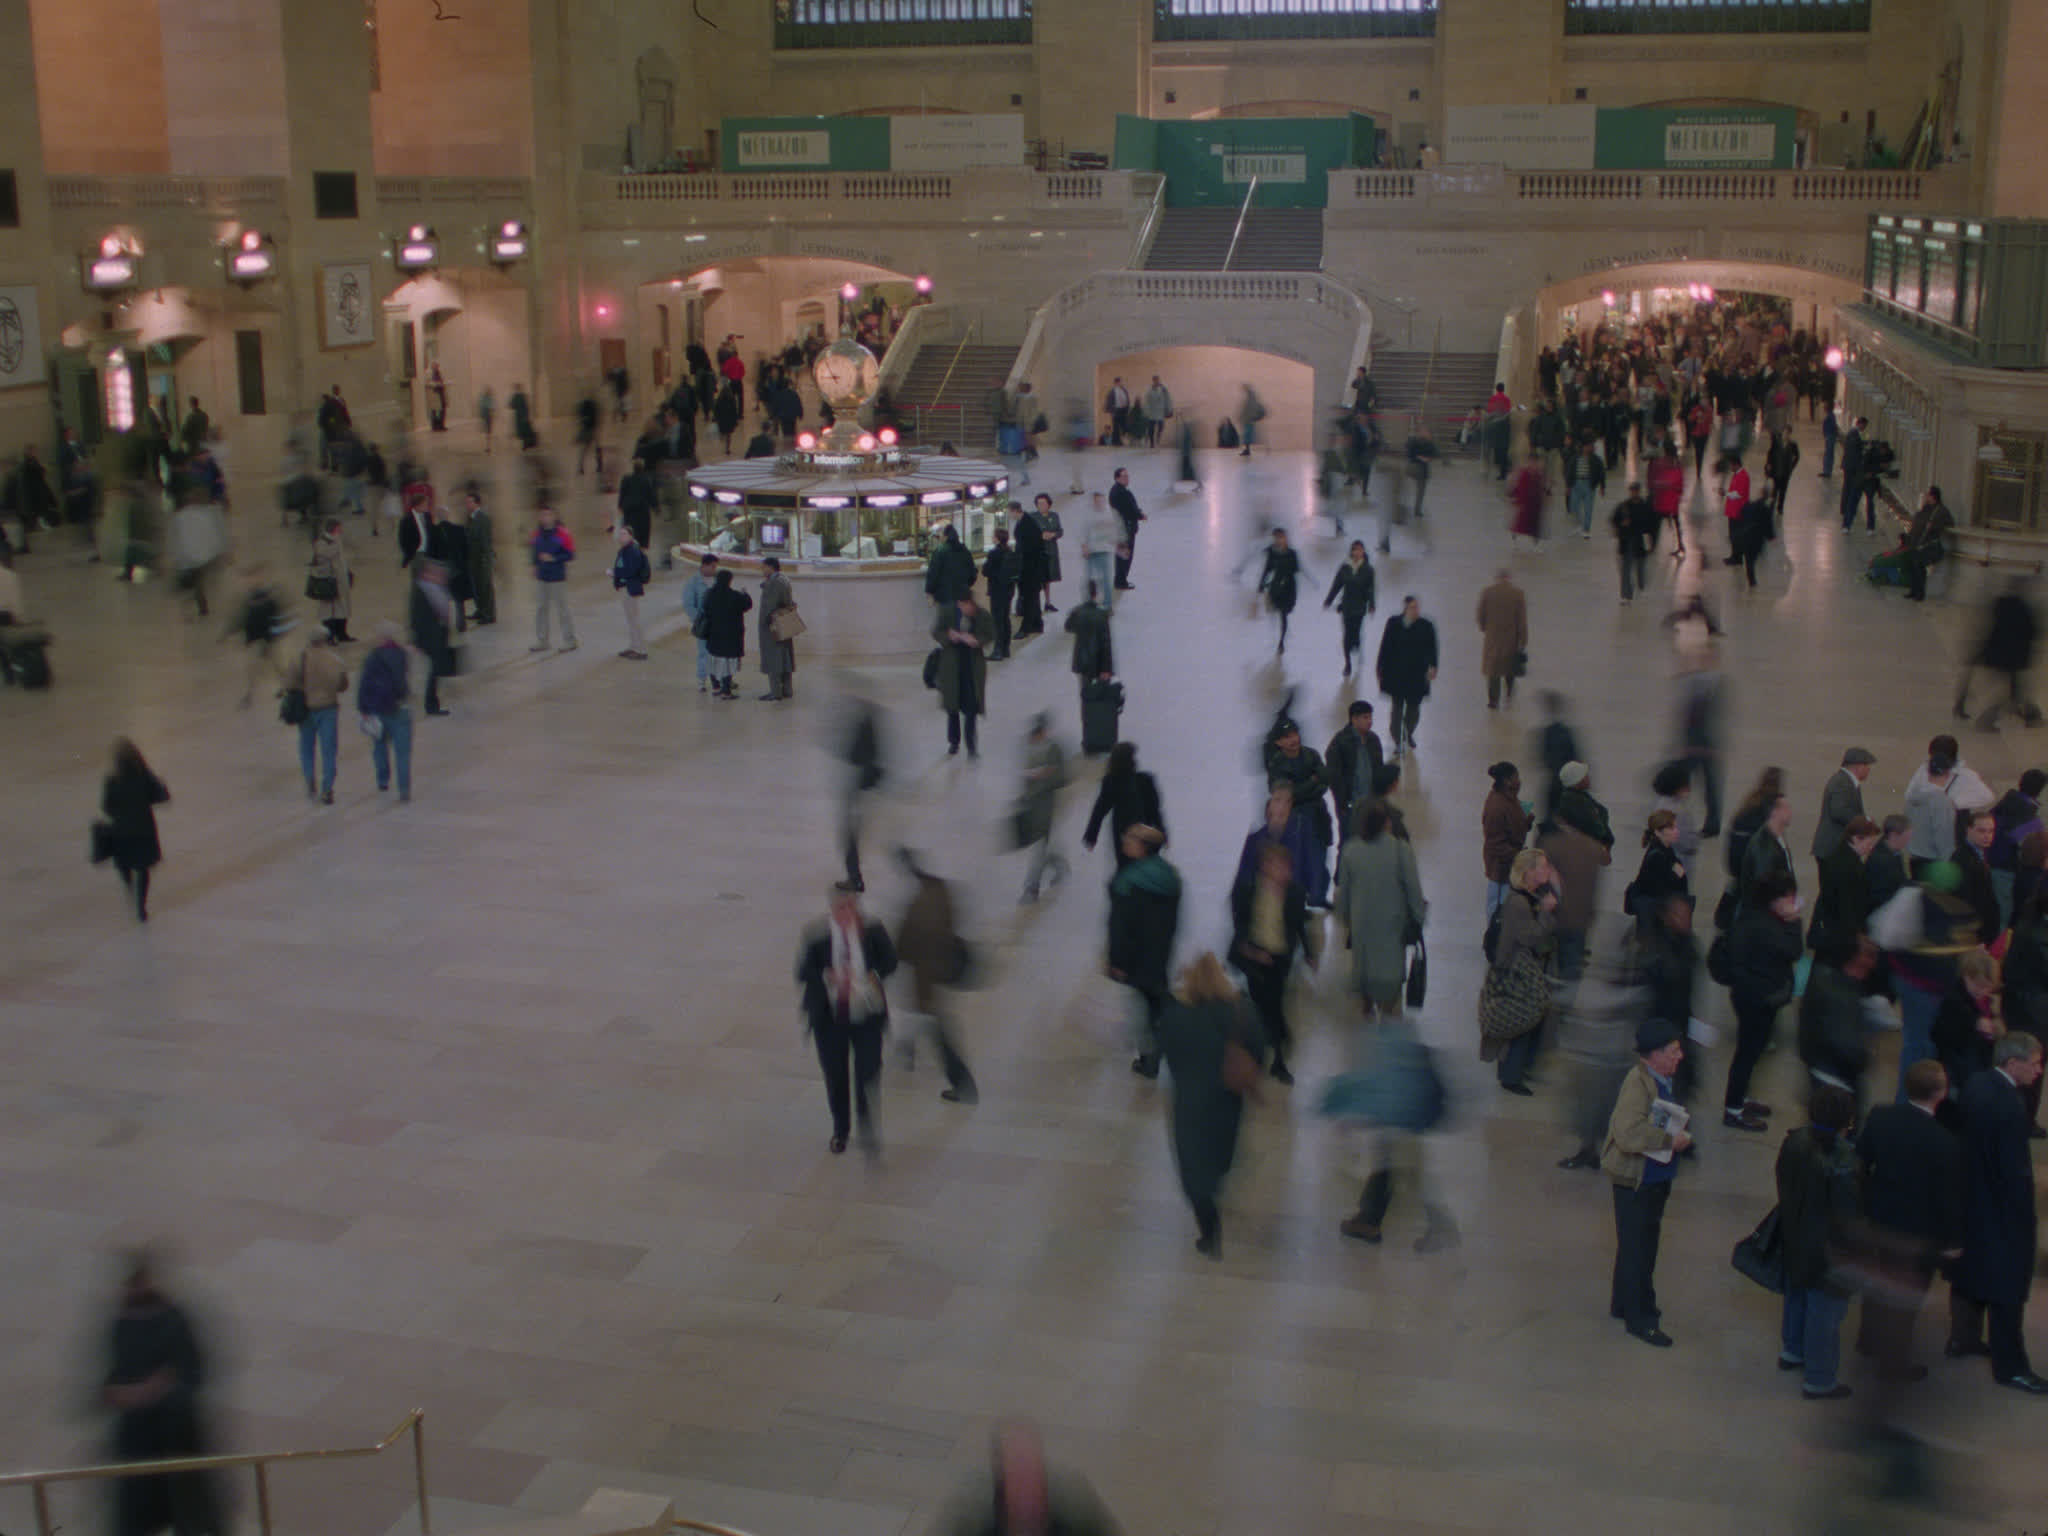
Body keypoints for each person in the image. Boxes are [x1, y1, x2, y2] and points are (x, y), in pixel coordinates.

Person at [1947, 1031, 2047, 1391]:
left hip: (1970, 1200)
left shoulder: (1977, 1084)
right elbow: (2013, 1170)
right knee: (2008, 1287)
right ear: (2013, 1063)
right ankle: (2011, 1367)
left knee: (1971, 1273)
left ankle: (1963, 1338)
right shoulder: (2009, 1106)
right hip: (2001, 1210)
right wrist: (2025, 1216)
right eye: (2035, 1063)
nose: (2039, 1070)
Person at [100, 1249, 225, 1536]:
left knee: (187, 1509)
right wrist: (129, 1392)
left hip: (174, 1435)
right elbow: (111, 1379)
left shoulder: (173, 1320)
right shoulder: (121, 1323)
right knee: (138, 1513)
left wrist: (152, 1390)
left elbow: (192, 1372)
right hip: (137, 1440)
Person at [1604, 1018, 1693, 1347]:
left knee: (1638, 1244)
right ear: (1653, 1055)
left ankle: (1625, 1302)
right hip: (1636, 1182)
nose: (1680, 1056)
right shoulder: (1637, 1085)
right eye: (1673, 1051)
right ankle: (1639, 1318)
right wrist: (1670, 1141)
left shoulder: (1659, 1079)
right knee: (1638, 1249)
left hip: (1653, 1178)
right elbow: (1627, 1134)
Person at [795, 886, 898, 1156]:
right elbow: (802, 971)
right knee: (836, 1076)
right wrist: (828, 975)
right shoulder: (816, 935)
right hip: (830, 1020)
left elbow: (890, 961)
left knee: (868, 1070)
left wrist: (873, 976)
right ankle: (840, 1130)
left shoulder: (872, 930)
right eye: (842, 908)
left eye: (852, 907)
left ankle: (866, 1124)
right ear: (832, 909)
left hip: (866, 1015)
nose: (848, 913)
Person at [1774, 1082, 1862, 1400]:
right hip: (1828, 1251)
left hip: (1795, 1235)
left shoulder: (1794, 1141)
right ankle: (1820, 1379)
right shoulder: (1844, 1159)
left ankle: (1792, 1350)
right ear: (1846, 1121)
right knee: (1824, 1315)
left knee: (1796, 1295)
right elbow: (1848, 1214)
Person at [928, 1421, 1123, 1536]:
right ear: (1002, 1479)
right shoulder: (972, 1516)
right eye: (1018, 1477)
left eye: (1032, 1472)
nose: (1027, 1487)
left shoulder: (1075, 1509)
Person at [893, 848, 978, 1107]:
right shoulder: (939, 888)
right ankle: (907, 1050)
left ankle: (964, 1087)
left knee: (939, 1033)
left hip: (927, 980)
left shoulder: (918, 906)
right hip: (939, 972)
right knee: (925, 1019)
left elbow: (905, 946)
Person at [1724, 869, 1803, 1131]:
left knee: (1751, 1052)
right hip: (1756, 999)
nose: (1793, 902)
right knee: (1747, 1053)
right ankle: (1733, 1109)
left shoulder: (1755, 916)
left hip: (1753, 995)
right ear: (1776, 899)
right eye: (1789, 897)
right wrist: (1794, 921)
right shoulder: (1765, 926)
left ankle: (1741, 1098)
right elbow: (1793, 950)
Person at [1231, 829, 1309, 1089]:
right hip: (1255, 960)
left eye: (1285, 867)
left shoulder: (1295, 893)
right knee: (1261, 1006)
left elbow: (1299, 925)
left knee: (1272, 1006)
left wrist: (1309, 952)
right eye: (1276, 865)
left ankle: (1277, 1055)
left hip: (1279, 960)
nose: (1282, 872)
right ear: (1264, 867)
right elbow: (1241, 922)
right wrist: (1249, 949)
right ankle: (1272, 1048)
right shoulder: (1250, 891)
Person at [1337, 801, 1426, 1021]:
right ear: (1387, 823)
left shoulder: (1350, 851)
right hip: (1392, 938)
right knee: (1391, 1007)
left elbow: (1343, 898)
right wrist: (1418, 919)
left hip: (1363, 939)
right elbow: (1414, 892)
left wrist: (1348, 922)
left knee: (1364, 1000)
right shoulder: (1400, 850)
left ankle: (1367, 1017)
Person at [1108, 825, 1181, 1078]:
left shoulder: (1129, 881)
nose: (1125, 841)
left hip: (1134, 957)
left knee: (1141, 1010)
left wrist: (1117, 961)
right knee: (1154, 1002)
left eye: (1130, 839)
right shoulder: (1170, 877)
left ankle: (1149, 1058)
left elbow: (1119, 926)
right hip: (1159, 953)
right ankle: (1158, 1050)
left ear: (1143, 847)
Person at [100, 738, 169, 923]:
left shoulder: (112, 780)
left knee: (124, 863)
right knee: (143, 869)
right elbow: (161, 796)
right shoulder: (144, 776)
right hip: (143, 830)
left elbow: (106, 807)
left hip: (121, 831)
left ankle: (128, 884)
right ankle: (141, 906)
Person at [1956, 578, 2038, 730]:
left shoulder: (2000, 604)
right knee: (2013, 693)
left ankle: (2030, 715)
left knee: (2014, 692)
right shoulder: (2023, 609)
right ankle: (1989, 720)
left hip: (1996, 653)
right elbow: (2029, 633)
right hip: (2012, 657)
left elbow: (1989, 627)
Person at [289, 630, 349, 805]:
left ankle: (309, 779)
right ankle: (327, 789)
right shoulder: (335, 660)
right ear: (325, 640)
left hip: (306, 709)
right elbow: (343, 686)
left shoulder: (300, 658)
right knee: (329, 749)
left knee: (306, 747)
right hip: (328, 709)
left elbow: (290, 683)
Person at [1084, 741, 1164, 869]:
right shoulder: (1145, 781)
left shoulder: (1112, 782)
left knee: (1126, 868)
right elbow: (1155, 810)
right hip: (1145, 832)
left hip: (1124, 834)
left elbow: (1099, 810)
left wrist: (1091, 836)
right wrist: (1161, 831)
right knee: (1146, 867)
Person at [1375, 595, 1437, 757]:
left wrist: (1433, 666)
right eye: (1412, 607)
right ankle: (1398, 740)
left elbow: (1432, 648)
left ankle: (1408, 732)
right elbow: (1385, 646)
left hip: (1417, 675)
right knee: (1397, 708)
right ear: (1405, 608)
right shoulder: (1393, 623)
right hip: (1396, 674)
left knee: (1413, 710)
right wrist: (1380, 667)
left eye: (1417, 607)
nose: (1415, 610)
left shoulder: (1426, 626)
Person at [1016, 713, 1068, 904]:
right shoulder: (1029, 748)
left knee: (1040, 848)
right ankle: (1059, 865)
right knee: (1042, 845)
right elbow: (1023, 775)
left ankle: (1031, 888)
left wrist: (1044, 777)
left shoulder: (1055, 749)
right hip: (1031, 806)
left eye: (1040, 732)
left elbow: (1062, 778)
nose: (1037, 735)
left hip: (1046, 806)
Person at [933, 591, 991, 758]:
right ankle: (954, 742)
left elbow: (989, 634)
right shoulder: (946, 612)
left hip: (971, 669)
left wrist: (976, 641)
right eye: (963, 605)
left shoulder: (982, 615)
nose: (966, 609)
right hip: (952, 668)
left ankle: (971, 746)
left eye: (969, 605)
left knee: (971, 709)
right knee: (953, 708)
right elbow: (936, 631)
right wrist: (948, 636)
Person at [1326, 701, 1386, 851]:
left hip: (1371, 804)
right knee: (1348, 845)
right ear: (1354, 719)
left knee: (1372, 843)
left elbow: (1379, 769)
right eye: (1365, 717)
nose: (1370, 721)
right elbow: (1334, 776)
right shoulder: (1340, 742)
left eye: (1370, 717)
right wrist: (1342, 803)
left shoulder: (1374, 740)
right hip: (1350, 806)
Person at [1812, 746, 1875, 881]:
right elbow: (1839, 811)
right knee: (1833, 891)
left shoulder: (1845, 781)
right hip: (1832, 849)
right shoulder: (1842, 782)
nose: (1869, 769)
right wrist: (1865, 821)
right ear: (1857, 766)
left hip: (1835, 850)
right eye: (1867, 765)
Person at [1482, 762, 1533, 919]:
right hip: (1500, 868)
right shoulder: (1496, 807)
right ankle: (1495, 932)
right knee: (1497, 909)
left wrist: (1526, 823)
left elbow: (1512, 825)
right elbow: (1495, 844)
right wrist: (1518, 855)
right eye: (1516, 777)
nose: (1519, 781)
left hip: (1510, 863)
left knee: (1507, 906)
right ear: (1507, 781)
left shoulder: (1509, 797)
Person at [1475, 567, 1527, 711]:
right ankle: (1508, 696)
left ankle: (1493, 701)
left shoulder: (1488, 592)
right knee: (1510, 668)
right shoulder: (1517, 593)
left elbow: (1480, 615)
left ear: (1497, 578)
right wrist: (1523, 639)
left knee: (1493, 670)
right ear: (1508, 578)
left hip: (1492, 638)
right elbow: (1522, 620)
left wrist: (1485, 628)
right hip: (1511, 639)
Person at [1324, 540, 1377, 678]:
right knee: (1347, 635)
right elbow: (1337, 585)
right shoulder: (1344, 567)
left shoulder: (1368, 569)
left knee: (1356, 632)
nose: (1357, 552)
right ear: (1352, 552)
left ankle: (1357, 644)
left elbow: (1371, 589)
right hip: (1347, 606)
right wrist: (1329, 600)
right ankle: (1348, 663)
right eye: (1355, 550)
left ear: (1363, 552)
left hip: (1359, 608)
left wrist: (1372, 604)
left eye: (1360, 550)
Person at [528, 505, 577, 652]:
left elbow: (570, 554)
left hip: (557, 576)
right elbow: (534, 552)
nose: (546, 518)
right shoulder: (536, 534)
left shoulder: (563, 533)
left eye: (548, 515)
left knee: (562, 608)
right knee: (541, 608)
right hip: (542, 576)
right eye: (543, 515)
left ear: (554, 516)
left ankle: (570, 640)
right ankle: (542, 640)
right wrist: (534, 565)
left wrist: (554, 558)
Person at [699, 568, 751, 699]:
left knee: (713, 660)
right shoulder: (735, 596)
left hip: (713, 634)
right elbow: (747, 605)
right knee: (728, 662)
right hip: (731, 636)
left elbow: (704, 609)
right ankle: (726, 690)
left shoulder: (709, 594)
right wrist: (745, 594)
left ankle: (716, 687)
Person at [1898, 486, 1954, 603]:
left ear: (1933, 496)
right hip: (1915, 543)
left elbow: (1950, 523)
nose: (1925, 497)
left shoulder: (1941, 511)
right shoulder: (1925, 509)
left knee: (1919, 567)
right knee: (1912, 566)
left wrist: (1934, 526)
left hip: (1927, 545)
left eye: (1927, 495)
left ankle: (1920, 592)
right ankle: (1913, 590)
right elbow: (1917, 522)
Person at [1255, 527, 1302, 654]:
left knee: (1283, 614)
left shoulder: (1292, 553)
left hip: (1288, 588)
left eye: (1281, 538)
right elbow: (1267, 569)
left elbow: (1295, 569)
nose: (1279, 540)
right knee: (1275, 610)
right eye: (1277, 538)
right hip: (1275, 587)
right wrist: (1261, 585)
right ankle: (1279, 634)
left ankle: (1281, 641)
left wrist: (1285, 570)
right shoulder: (1272, 553)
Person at [1611, 479, 1658, 604]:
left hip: (1640, 542)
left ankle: (1641, 587)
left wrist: (1652, 541)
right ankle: (1626, 595)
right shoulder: (1623, 507)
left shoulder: (1645, 507)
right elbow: (1614, 520)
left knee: (1640, 569)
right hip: (1627, 542)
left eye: (1636, 490)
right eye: (1632, 490)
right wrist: (1621, 525)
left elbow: (1653, 525)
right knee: (1626, 569)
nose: (1634, 493)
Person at [756, 556, 796, 701]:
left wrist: (764, 622)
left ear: (770, 567)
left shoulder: (774, 582)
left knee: (773, 657)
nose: (762, 570)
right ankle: (787, 689)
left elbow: (770, 605)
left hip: (773, 625)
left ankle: (775, 692)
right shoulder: (784, 579)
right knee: (785, 657)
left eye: (763, 567)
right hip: (784, 621)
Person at [610, 523, 651, 661]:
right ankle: (634, 646)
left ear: (631, 536)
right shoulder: (625, 549)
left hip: (630, 588)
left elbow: (630, 570)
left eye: (624, 534)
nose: (621, 537)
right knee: (631, 619)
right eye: (620, 534)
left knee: (634, 620)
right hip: (625, 587)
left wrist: (615, 573)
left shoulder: (632, 550)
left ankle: (641, 649)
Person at [681, 553, 718, 693]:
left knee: (718, 652)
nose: (714, 569)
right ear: (704, 566)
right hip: (703, 623)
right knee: (704, 652)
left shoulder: (717, 580)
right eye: (712, 566)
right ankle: (702, 680)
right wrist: (699, 620)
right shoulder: (693, 582)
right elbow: (688, 604)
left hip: (717, 622)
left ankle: (718, 679)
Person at [1012, 500, 1047, 637]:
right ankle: (1037, 623)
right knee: (1033, 597)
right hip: (1031, 567)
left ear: (1015, 511)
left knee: (1028, 597)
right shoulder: (1025, 522)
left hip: (1030, 568)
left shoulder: (1027, 524)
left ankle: (1026, 627)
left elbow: (1029, 548)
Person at [924, 522, 976, 609]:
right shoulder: (964, 550)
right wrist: (966, 585)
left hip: (945, 595)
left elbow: (933, 573)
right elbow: (972, 572)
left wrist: (929, 591)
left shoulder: (940, 551)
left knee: (946, 616)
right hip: (962, 595)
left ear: (945, 536)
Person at [1507, 448, 1546, 549]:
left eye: (1535, 461)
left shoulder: (1538, 473)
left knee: (1535, 526)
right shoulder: (1524, 472)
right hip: (1525, 502)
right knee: (1520, 524)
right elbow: (1519, 486)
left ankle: (1536, 545)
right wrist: (1516, 497)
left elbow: (1541, 487)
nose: (1534, 463)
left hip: (1535, 503)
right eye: (1532, 460)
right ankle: (1514, 539)